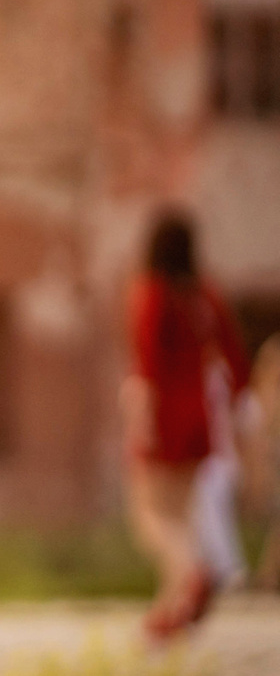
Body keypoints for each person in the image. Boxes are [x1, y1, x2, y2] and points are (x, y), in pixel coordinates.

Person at [124, 209, 247, 640]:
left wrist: (143, 420)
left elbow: (148, 361)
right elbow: (235, 356)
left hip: (165, 413)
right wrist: (236, 409)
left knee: (149, 516)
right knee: (180, 514)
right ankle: (170, 608)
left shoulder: (152, 292)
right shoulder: (205, 294)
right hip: (200, 413)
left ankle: (195, 573)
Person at [243, 335, 280, 592]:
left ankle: (269, 577)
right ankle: (268, 577)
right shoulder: (255, 400)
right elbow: (256, 442)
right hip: (266, 468)